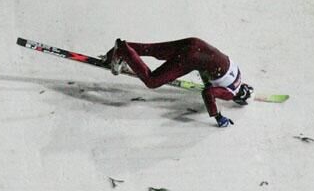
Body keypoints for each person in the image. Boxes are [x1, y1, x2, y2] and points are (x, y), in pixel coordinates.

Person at [104, 38, 253, 127]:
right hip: (190, 57)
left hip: (195, 43)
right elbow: (208, 94)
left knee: (154, 50)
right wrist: (218, 117)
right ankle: (123, 50)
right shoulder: (230, 93)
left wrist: (207, 81)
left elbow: (211, 65)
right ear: (237, 99)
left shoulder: (237, 71)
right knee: (152, 81)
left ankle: (113, 53)